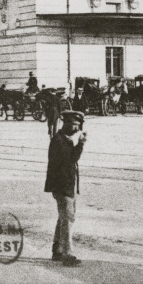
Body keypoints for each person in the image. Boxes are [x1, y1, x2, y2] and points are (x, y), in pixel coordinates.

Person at [45, 110, 86, 266]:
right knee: (68, 219)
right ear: (67, 123)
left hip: (66, 185)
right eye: (75, 125)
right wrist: (81, 144)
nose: (77, 129)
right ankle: (67, 254)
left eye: (78, 125)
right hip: (62, 186)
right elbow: (70, 160)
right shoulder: (59, 141)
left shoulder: (65, 139)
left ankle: (57, 249)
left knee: (63, 218)